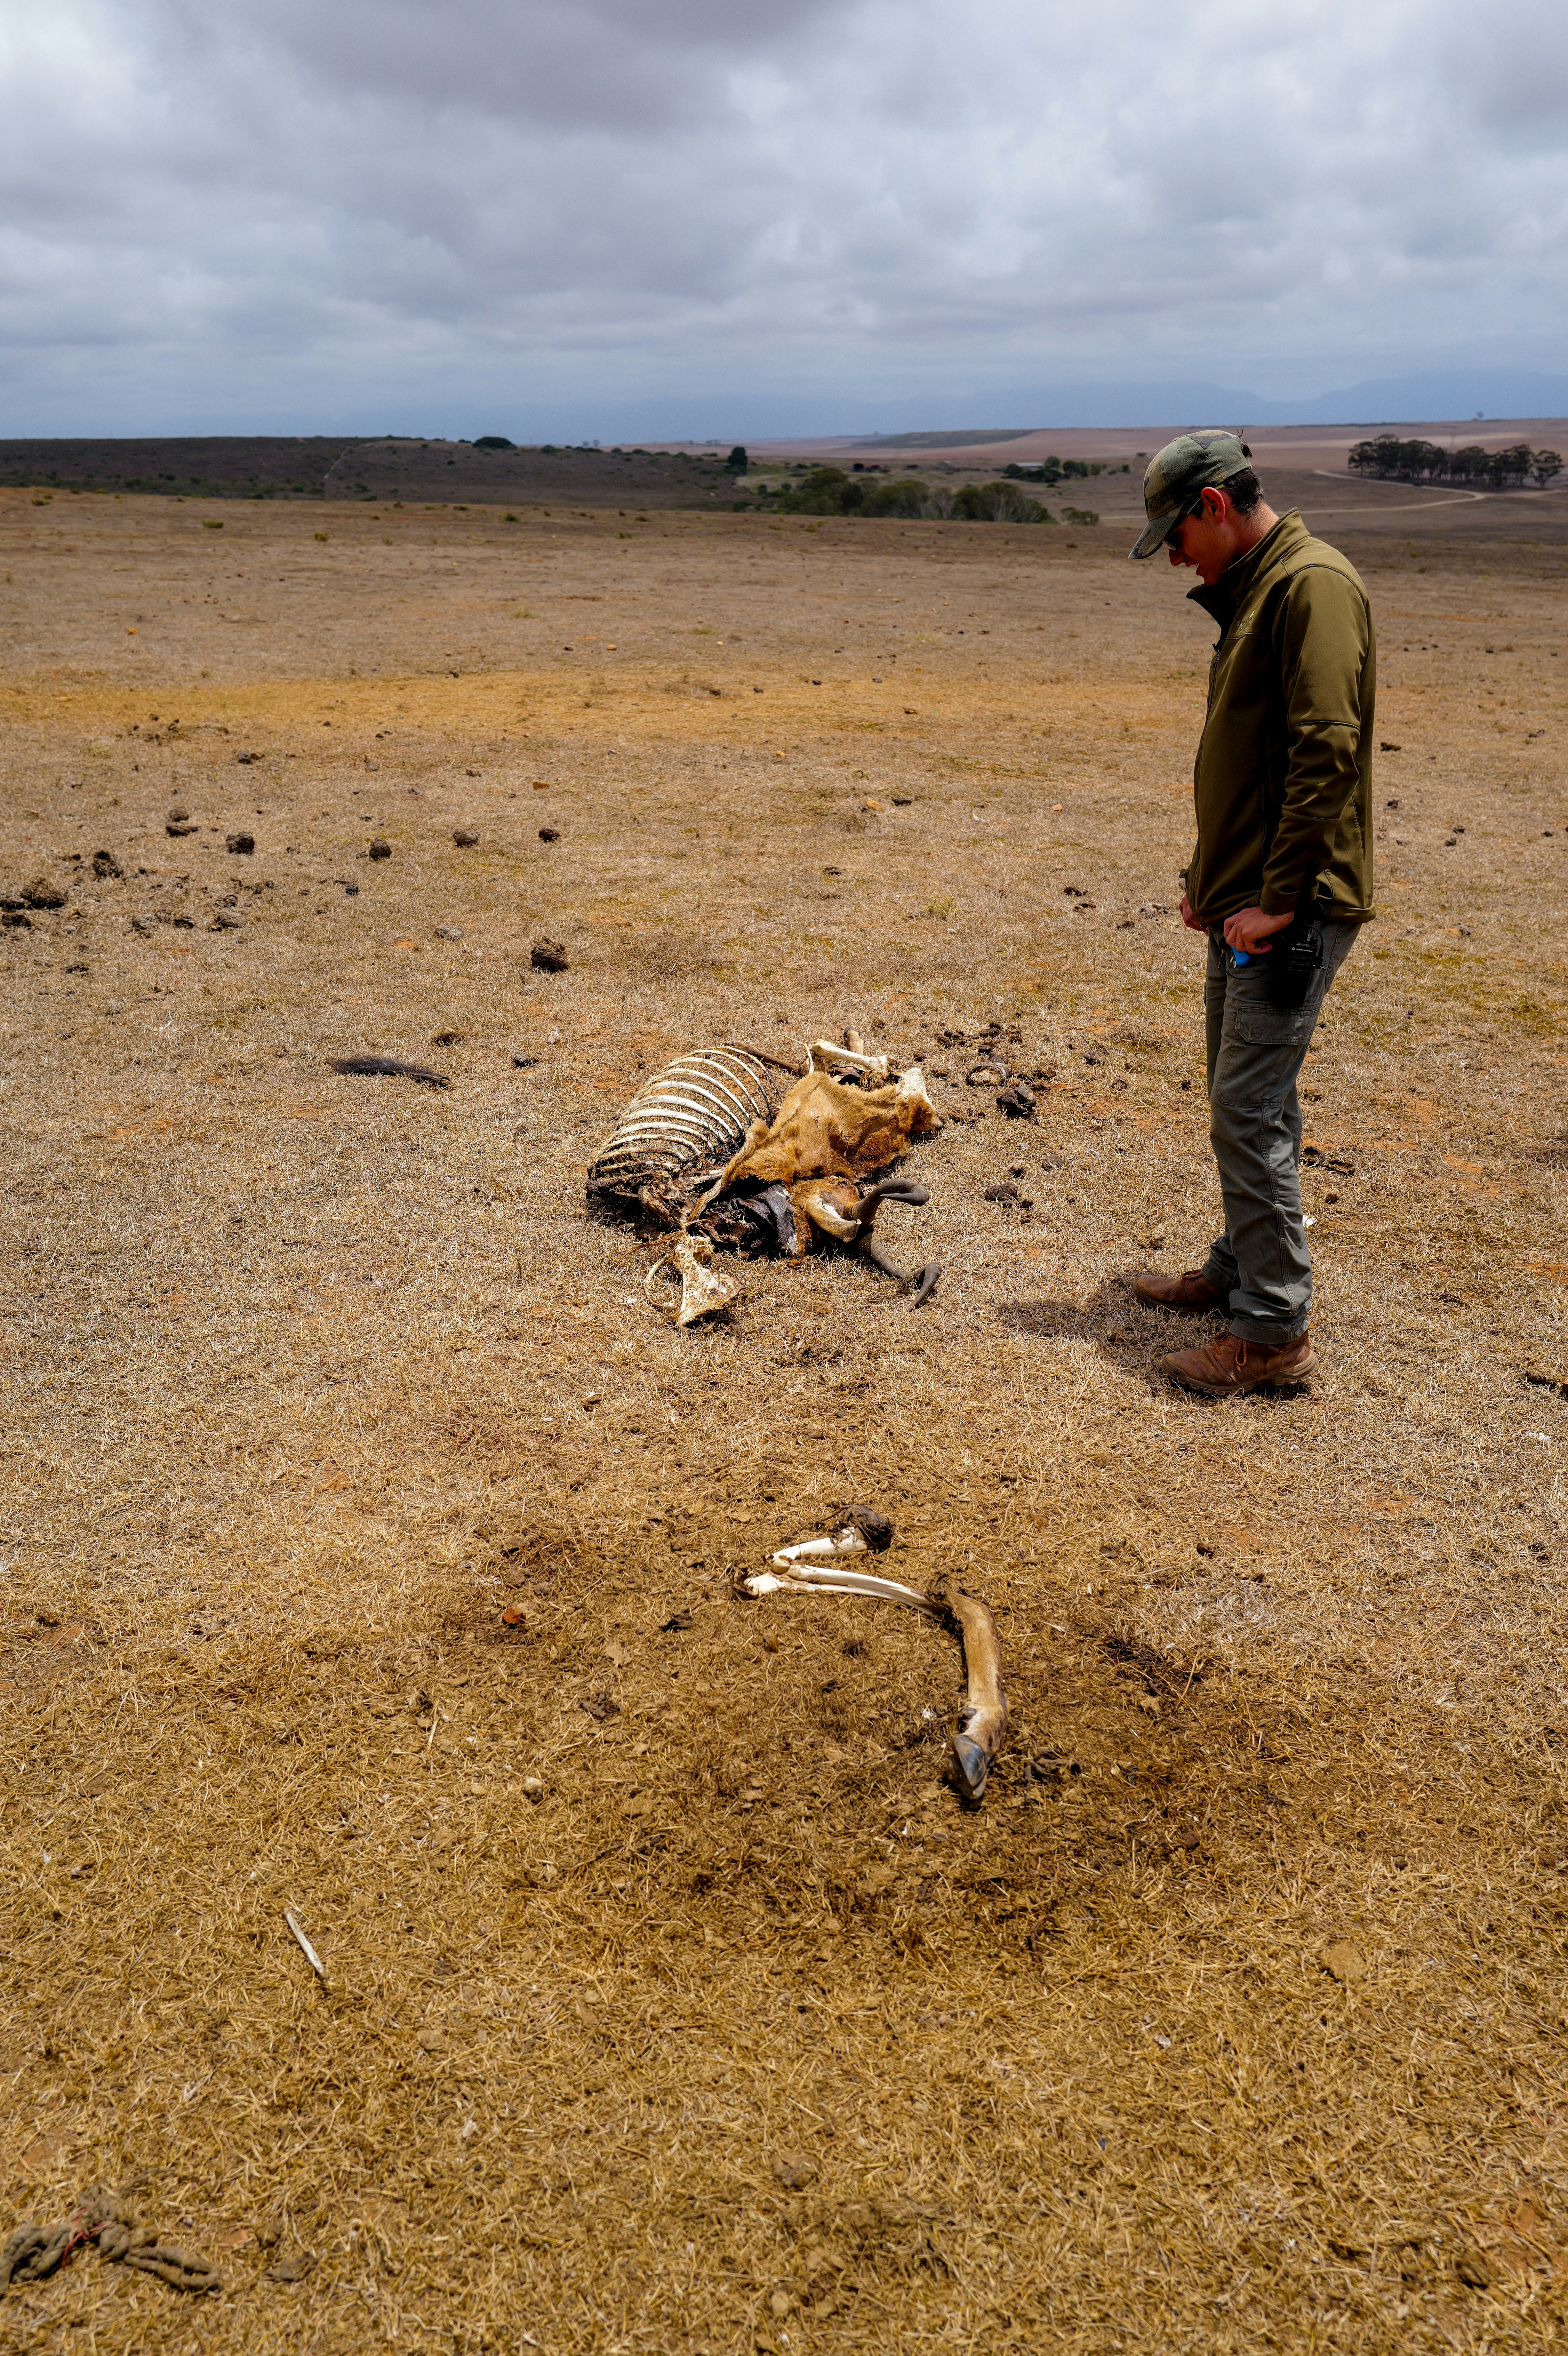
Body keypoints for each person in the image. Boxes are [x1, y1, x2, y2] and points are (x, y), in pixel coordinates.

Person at [1127, 431, 1375, 1395]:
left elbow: (1325, 749)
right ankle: (1240, 1269)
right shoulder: (1263, 588)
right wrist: (1213, 881)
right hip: (1245, 903)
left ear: (1215, 507)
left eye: (1177, 536)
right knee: (1247, 1097)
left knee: (1249, 1104)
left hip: (1291, 910)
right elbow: (1251, 759)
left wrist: (1278, 900)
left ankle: (1273, 1332)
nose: (1176, 558)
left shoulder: (1312, 586)